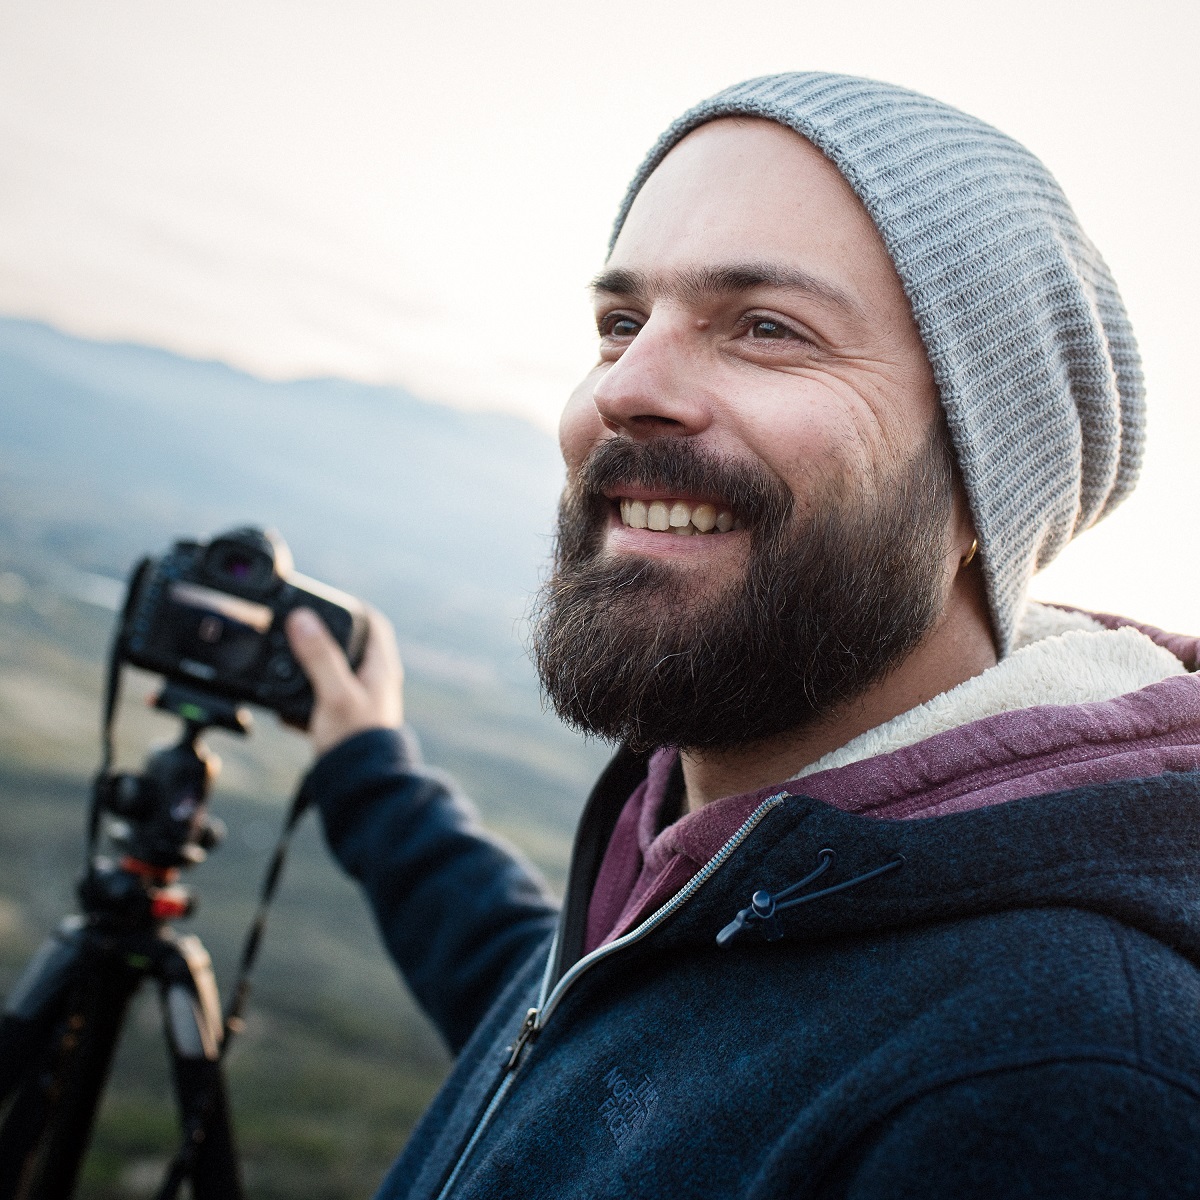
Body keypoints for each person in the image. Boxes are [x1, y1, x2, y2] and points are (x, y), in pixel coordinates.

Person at [285, 73, 1200, 1199]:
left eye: (766, 328)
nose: (627, 387)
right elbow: (586, 1053)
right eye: (620, 323)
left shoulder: (1060, 1083)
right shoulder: (708, 847)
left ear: (982, 489)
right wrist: (366, 771)